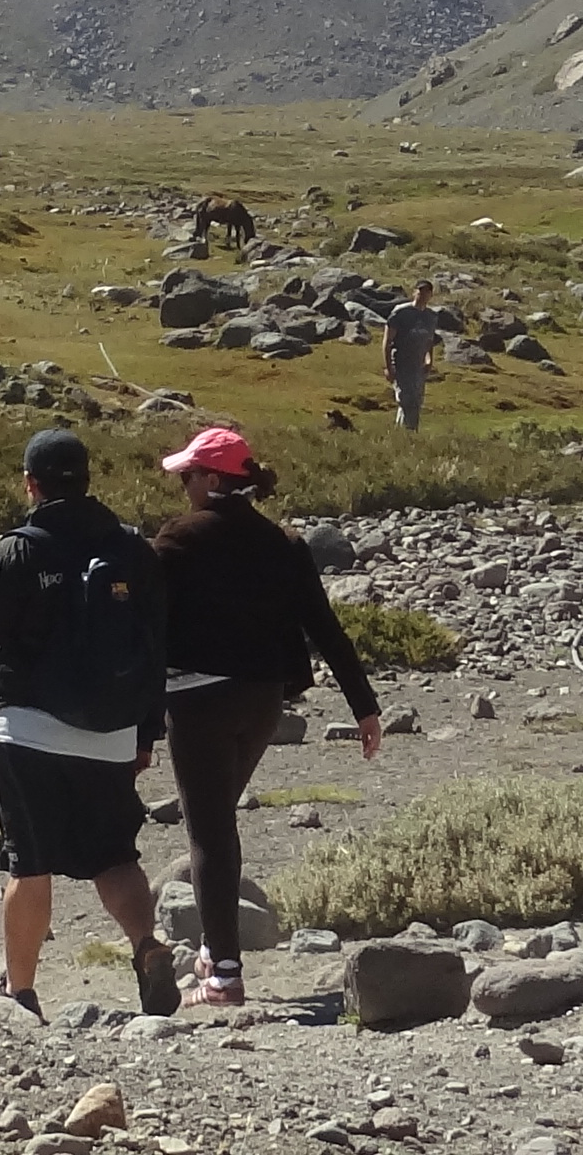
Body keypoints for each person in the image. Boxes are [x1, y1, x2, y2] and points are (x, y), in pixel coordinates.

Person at [0, 427, 181, 1021]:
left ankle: (20, 993)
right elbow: (157, 645)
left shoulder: (19, 550)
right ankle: (146, 946)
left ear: (31, 484)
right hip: (112, 731)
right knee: (115, 856)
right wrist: (145, 732)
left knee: (30, 861)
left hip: (29, 730)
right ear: (88, 480)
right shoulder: (131, 549)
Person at [148, 425, 382, 1007]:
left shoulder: (178, 538)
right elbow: (324, 627)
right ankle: (213, 950)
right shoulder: (284, 542)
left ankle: (224, 973)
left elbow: (142, 623)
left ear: (211, 479)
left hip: (198, 699)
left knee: (209, 831)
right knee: (217, 818)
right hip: (262, 699)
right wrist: (364, 706)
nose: (183, 486)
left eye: (187, 476)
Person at [382, 279, 449, 431]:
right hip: (401, 362)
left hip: (418, 365)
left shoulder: (431, 316)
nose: (423, 295)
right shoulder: (401, 312)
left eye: (427, 292)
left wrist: (429, 360)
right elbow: (387, 340)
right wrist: (388, 367)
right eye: (420, 291)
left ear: (431, 295)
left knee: (416, 401)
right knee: (407, 400)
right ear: (414, 292)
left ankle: (402, 434)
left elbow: (429, 340)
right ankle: (409, 434)